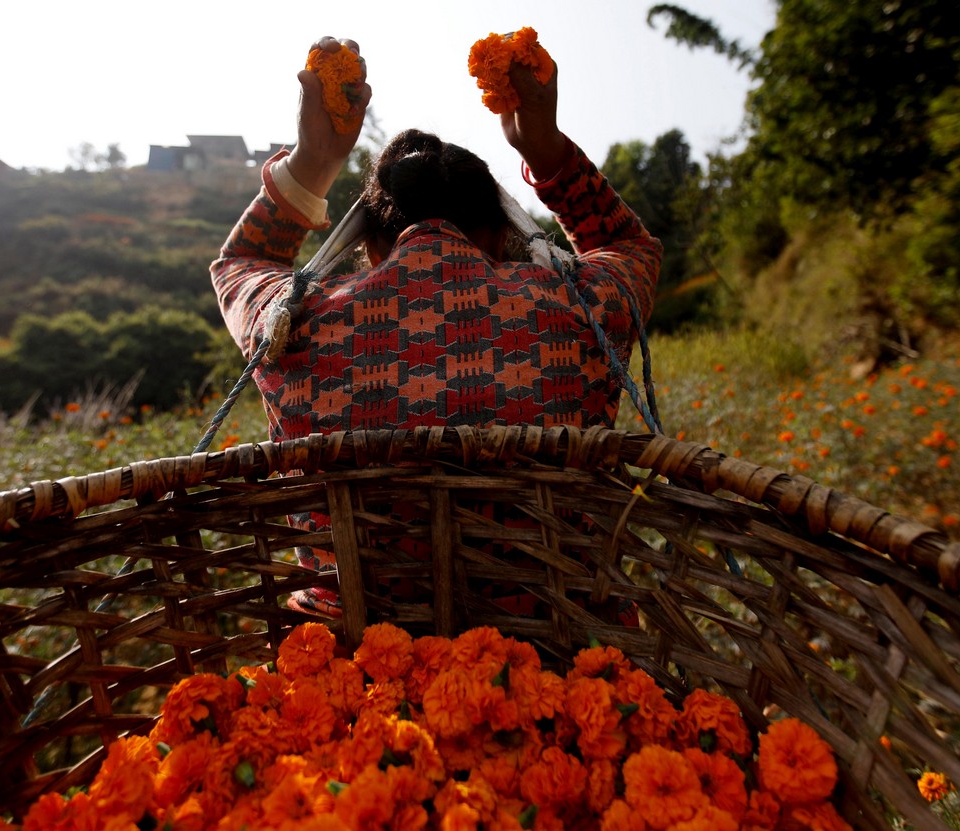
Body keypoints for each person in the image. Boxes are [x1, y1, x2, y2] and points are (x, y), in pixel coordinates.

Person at [210, 36, 662, 616]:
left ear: (371, 246)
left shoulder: (294, 322)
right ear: (501, 235)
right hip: (566, 655)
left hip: (347, 667)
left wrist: (314, 162)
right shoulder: (580, 307)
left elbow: (242, 264)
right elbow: (627, 245)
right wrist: (544, 149)